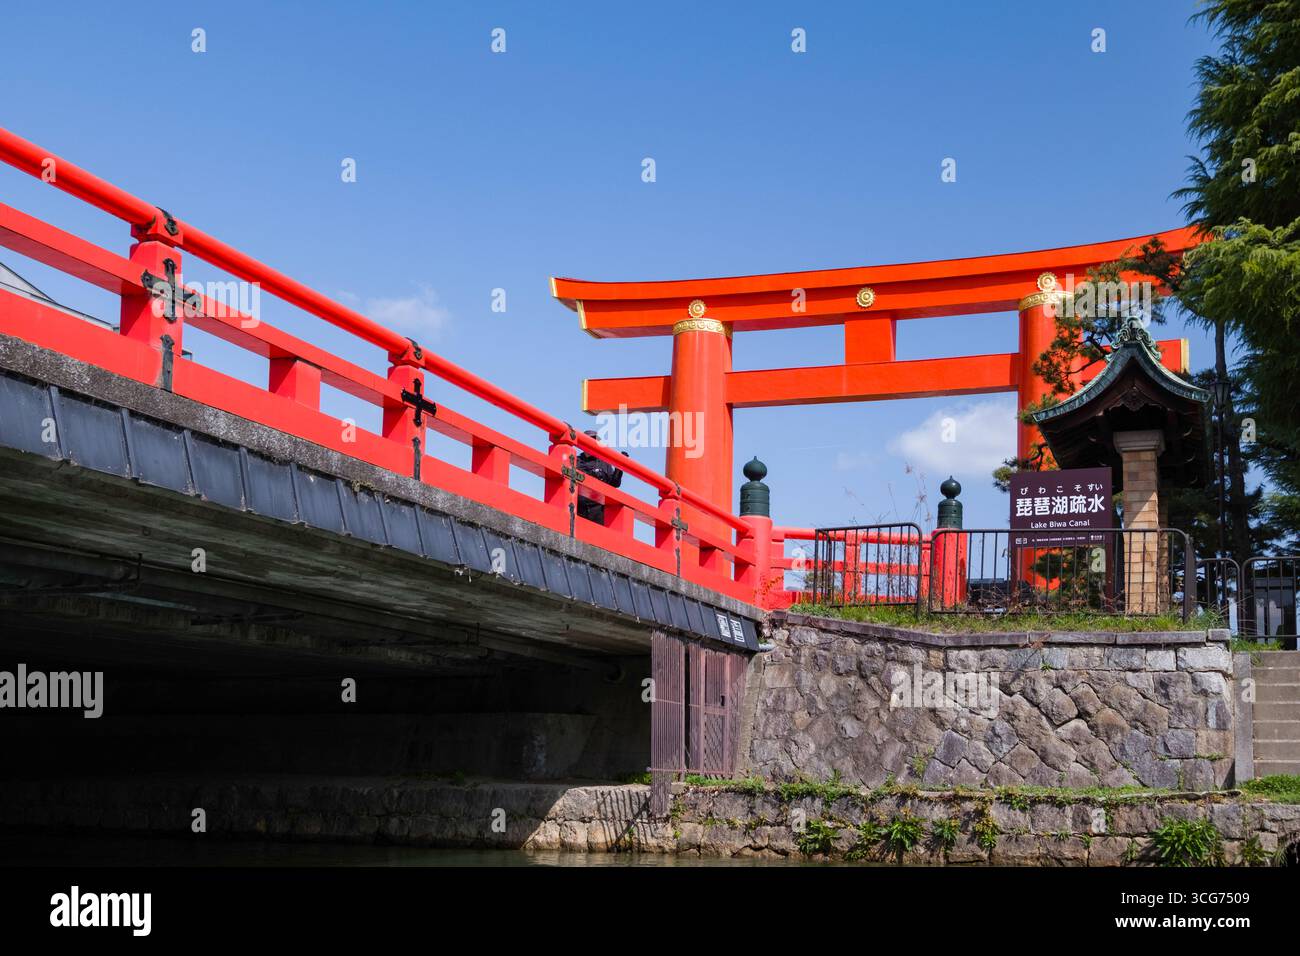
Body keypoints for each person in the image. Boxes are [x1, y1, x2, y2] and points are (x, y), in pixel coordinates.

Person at [576, 429, 625, 524]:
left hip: (598, 510)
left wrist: (620, 466)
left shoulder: (604, 462)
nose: (593, 443)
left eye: (595, 441)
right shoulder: (576, 460)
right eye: (590, 440)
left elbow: (614, 483)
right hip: (579, 507)